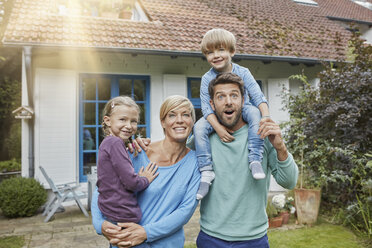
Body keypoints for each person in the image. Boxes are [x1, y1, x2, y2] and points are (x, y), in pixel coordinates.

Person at [195, 72, 298, 247]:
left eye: (234, 95)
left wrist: (280, 148)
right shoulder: (202, 139)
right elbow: (172, 158)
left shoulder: (263, 135)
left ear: (244, 100)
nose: (228, 101)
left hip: (253, 240)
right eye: (221, 96)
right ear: (211, 104)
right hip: (211, 238)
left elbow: (289, 182)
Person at [91, 95, 201, 248]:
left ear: (192, 121)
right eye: (172, 115)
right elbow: (103, 187)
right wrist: (100, 224)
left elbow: (185, 210)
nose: (180, 120)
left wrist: (146, 232)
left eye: (186, 115)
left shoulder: (196, 163)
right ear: (163, 122)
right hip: (126, 243)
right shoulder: (137, 151)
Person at [195, 28, 271, 200]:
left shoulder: (243, 72)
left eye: (221, 49)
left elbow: (257, 95)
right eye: (210, 52)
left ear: (232, 51)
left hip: (244, 108)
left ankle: (255, 160)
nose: (216, 55)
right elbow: (207, 108)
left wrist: (265, 115)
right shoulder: (207, 78)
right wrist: (218, 128)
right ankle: (206, 172)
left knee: (255, 114)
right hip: (216, 114)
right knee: (198, 127)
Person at [97, 96, 158, 226]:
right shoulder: (115, 143)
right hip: (122, 213)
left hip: (109, 210)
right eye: (122, 119)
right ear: (107, 121)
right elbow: (131, 183)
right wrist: (145, 179)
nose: (129, 126)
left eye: (134, 121)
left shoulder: (108, 143)